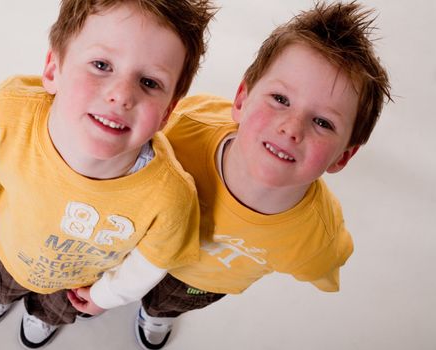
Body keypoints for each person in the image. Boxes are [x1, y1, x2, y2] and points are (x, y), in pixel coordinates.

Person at [0, 0, 216, 348]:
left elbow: (152, 260)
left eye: (149, 82)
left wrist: (108, 295)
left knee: (54, 308)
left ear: (167, 113)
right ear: (53, 69)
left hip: (76, 281)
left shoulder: (170, 196)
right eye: (102, 65)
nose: (121, 95)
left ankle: (42, 317)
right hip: (5, 244)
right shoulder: (6, 113)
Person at [134, 2, 392, 349]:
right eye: (280, 99)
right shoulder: (184, 126)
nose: (291, 128)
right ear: (241, 100)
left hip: (202, 281)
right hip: (141, 242)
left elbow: (325, 262)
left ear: (343, 156)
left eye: (322, 122)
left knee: (169, 301)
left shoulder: (317, 236)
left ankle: (157, 314)